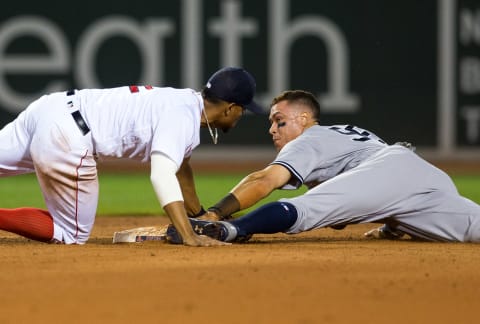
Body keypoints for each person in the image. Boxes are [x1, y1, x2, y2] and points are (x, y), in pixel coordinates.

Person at [166, 89, 480, 244]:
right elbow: (380, 186)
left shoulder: (309, 139)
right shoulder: (342, 135)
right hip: (427, 178)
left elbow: (264, 180)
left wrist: (216, 213)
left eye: (280, 121)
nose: (273, 130)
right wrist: (392, 227)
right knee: (472, 228)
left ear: (304, 120)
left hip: (394, 169)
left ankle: (229, 230)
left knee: (303, 210)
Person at [0, 66, 264, 246]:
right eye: (243, 110)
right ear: (231, 108)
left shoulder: (183, 102)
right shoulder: (182, 119)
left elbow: (181, 169)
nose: (242, 115)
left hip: (50, 108)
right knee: (71, 234)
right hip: (67, 137)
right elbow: (162, 175)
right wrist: (188, 235)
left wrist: (201, 214)